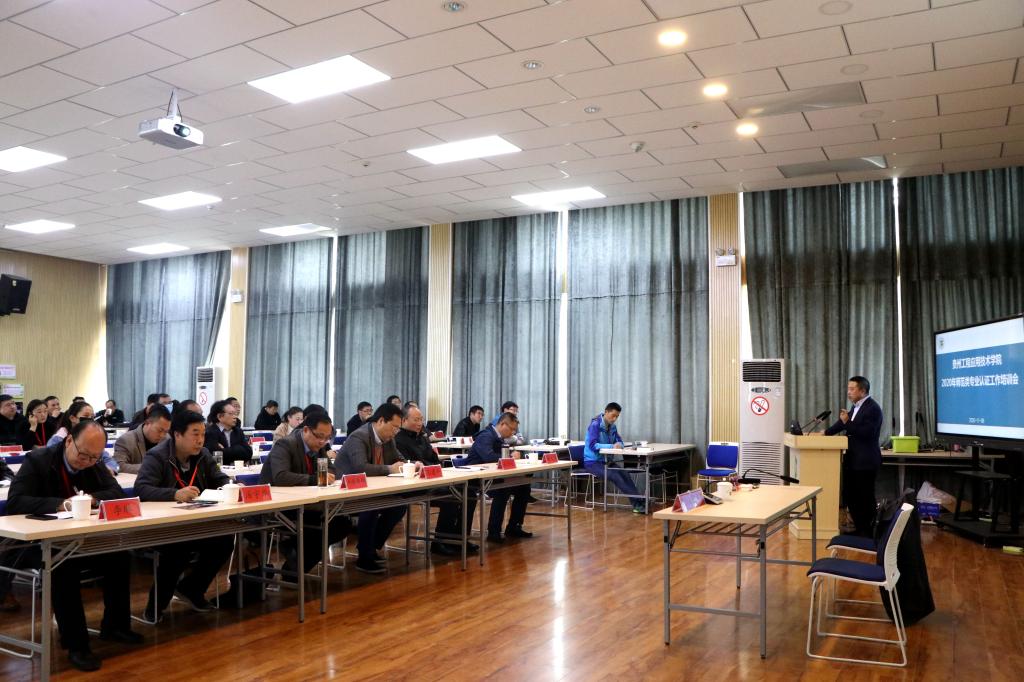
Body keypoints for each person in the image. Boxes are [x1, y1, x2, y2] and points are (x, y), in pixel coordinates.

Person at [6, 421, 140, 671]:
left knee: (119, 556)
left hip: (78, 538)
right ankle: (76, 645)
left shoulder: (92, 463)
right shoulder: (38, 460)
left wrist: (93, 499)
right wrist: (60, 504)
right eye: (83, 455)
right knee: (63, 567)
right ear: (69, 441)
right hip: (36, 543)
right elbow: (15, 502)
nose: (87, 461)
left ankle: (115, 626)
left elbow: (116, 493)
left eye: (94, 457)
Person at [134, 410, 235, 620]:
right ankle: (155, 607)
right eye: (195, 434)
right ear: (177, 434)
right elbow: (141, 489)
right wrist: (174, 494)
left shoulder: (203, 454)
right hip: (163, 525)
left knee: (224, 541)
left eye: (203, 434)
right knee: (178, 548)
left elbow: (219, 477)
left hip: (195, 521)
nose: (200, 440)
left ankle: (191, 589)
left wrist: (231, 486)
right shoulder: (158, 456)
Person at [259, 413, 353, 574]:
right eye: (319, 436)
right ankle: (294, 568)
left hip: (307, 503)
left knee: (341, 524)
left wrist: (327, 475)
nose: (323, 442)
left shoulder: (318, 447)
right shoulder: (285, 444)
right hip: (280, 505)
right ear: (306, 430)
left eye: (327, 438)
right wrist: (316, 479)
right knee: (322, 527)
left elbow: (332, 469)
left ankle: (293, 565)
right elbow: (281, 477)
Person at [335, 402, 416, 574]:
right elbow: (360, 467)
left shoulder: (388, 439)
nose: (396, 432)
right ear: (380, 421)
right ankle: (365, 557)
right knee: (371, 507)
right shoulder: (359, 437)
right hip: (346, 490)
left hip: (372, 489)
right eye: (394, 427)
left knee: (399, 506)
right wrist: (389, 469)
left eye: (398, 429)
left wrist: (413, 465)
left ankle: (370, 547)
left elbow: (399, 459)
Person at [394, 405, 477, 556]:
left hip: (433, 480)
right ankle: (440, 542)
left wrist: (432, 467)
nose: (420, 423)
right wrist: (428, 467)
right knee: (451, 496)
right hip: (415, 485)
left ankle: (460, 539)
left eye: (421, 419)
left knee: (469, 493)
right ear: (404, 420)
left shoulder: (422, 437)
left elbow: (435, 460)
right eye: (416, 420)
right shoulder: (398, 440)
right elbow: (408, 465)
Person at [825, 376, 884, 537]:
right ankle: (860, 529)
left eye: (852, 389)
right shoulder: (856, 406)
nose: (848, 392)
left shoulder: (872, 409)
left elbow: (866, 433)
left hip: (865, 461)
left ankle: (869, 532)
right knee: (851, 496)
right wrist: (825, 433)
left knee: (864, 497)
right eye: (848, 389)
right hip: (853, 460)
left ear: (862, 391)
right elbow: (843, 423)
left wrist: (847, 422)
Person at [465, 412, 534, 543]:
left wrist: (510, 456)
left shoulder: (498, 437)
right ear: (502, 424)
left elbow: (499, 457)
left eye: (514, 430)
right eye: (511, 429)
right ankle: (494, 531)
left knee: (523, 487)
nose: (513, 433)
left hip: (492, 476)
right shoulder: (485, 436)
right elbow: (488, 457)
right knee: (503, 489)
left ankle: (514, 526)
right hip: (476, 478)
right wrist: (509, 457)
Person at [582, 402, 646, 514]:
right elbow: (592, 445)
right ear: (606, 412)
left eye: (617, 416)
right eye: (613, 416)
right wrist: (612, 446)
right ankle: (637, 504)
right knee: (615, 475)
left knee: (625, 474)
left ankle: (639, 500)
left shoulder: (613, 427)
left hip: (607, 461)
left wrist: (619, 444)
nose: (615, 419)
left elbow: (620, 441)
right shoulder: (595, 425)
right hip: (592, 462)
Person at [112, 406, 170, 474]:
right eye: (159, 430)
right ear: (147, 423)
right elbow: (118, 466)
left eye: (166, 431)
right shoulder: (126, 440)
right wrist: (151, 467)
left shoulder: (167, 439)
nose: (162, 435)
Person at [204, 399, 252, 465]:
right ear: (220, 416)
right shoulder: (210, 433)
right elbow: (214, 456)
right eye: (231, 414)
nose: (235, 417)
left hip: (237, 469)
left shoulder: (238, 431)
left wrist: (225, 450)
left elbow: (249, 453)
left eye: (235, 414)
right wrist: (239, 449)